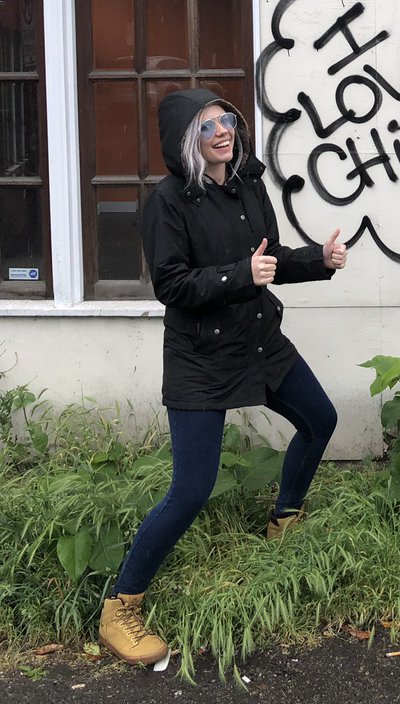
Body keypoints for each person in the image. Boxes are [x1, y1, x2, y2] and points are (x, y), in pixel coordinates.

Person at [99, 88, 347, 667]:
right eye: (207, 126)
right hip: (200, 357)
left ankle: (284, 518)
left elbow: (269, 258)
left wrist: (318, 260)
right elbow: (172, 285)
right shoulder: (167, 202)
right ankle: (120, 608)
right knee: (191, 489)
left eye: (227, 120)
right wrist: (240, 275)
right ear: (187, 141)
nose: (223, 131)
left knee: (320, 420)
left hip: (258, 341)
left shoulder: (247, 184)